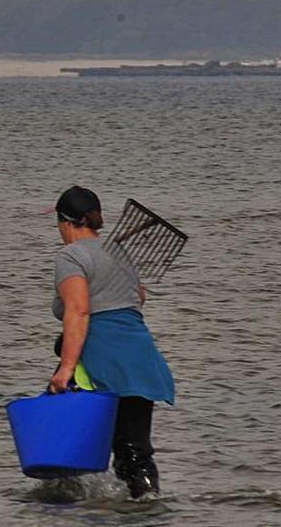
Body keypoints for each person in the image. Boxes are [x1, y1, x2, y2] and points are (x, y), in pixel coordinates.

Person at [46, 185, 175, 500]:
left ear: (65, 222)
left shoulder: (70, 256)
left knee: (127, 450)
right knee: (133, 447)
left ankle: (144, 508)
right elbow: (138, 297)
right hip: (140, 357)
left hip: (109, 362)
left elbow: (78, 311)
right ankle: (140, 507)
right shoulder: (120, 253)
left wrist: (66, 368)